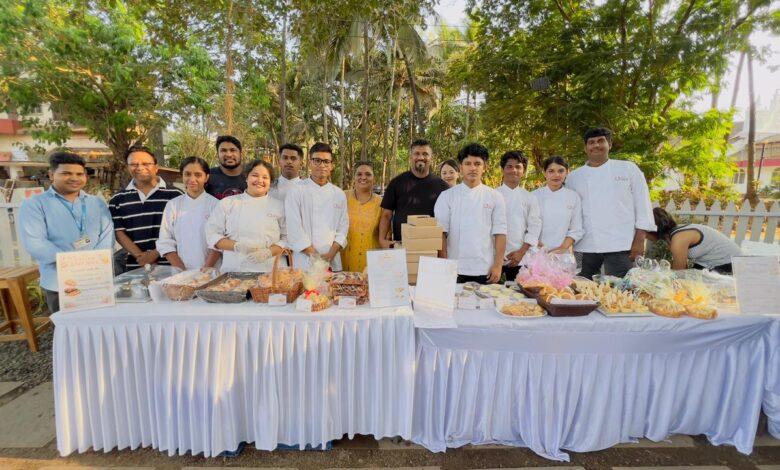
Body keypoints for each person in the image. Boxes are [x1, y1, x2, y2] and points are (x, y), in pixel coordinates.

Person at [19, 152, 114, 313]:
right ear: (51, 174)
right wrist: (73, 264)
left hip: (95, 277)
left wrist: (95, 264)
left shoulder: (96, 202)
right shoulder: (35, 204)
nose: (74, 178)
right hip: (59, 281)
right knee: (67, 331)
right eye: (66, 173)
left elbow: (107, 234)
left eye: (79, 174)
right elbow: (35, 242)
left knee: (99, 326)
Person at [565, 127, 656, 279]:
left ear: (610, 145)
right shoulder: (574, 177)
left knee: (622, 290)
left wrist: (640, 240)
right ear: (585, 148)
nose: (596, 145)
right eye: (591, 142)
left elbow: (643, 204)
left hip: (621, 244)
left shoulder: (628, 169)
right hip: (586, 244)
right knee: (584, 288)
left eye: (601, 141)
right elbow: (569, 212)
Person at [435, 143, 507, 284]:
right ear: (461, 168)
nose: (473, 168)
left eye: (477, 164)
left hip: (485, 268)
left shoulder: (495, 196)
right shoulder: (446, 196)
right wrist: (445, 265)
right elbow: (441, 233)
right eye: (468, 163)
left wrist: (498, 265)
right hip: (455, 269)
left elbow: (500, 232)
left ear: (485, 167)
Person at [109, 146, 183, 272]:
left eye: (145, 163)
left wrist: (154, 254)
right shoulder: (117, 199)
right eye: (133, 164)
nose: (140, 167)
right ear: (127, 167)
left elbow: (181, 229)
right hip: (135, 266)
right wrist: (140, 256)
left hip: (171, 264)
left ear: (156, 167)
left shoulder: (176, 195)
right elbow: (119, 232)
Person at [205, 160, 287, 272]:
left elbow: (287, 238)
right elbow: (212, 234)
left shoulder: (279, 206)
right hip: (234, 270)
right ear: (246, 178)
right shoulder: (228, 203)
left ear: (270, 182)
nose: (260, 180)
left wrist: (268, 252)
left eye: (265, 177)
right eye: (255, 175)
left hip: (271, 271)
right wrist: (237, 246)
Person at [285, 142, 349, 271]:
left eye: (326, 161)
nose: (322, 165)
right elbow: (293, 227)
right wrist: (313, 254)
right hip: (305, 261)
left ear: (332, 165)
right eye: (317, 160)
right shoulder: (296, 191)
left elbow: (343, 228)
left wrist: (331, 254)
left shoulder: (339, 194)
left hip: (332, 260)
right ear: (310, 163)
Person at [379, 139, 450, 248]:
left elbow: (448, 220)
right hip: (402, 246)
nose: (421, 157)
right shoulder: (396, 183)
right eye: (417, 153)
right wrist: (382, 240)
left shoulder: (442, 187)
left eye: (425, 154)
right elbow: (386, 215)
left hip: (431, 249)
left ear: (431, 158)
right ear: (411, 157)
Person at [156, 157, 220, 271]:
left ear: (206, 177)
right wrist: (183, 272)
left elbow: (218, 242)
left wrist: (205, 271)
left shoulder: (216, 205)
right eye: (187, 174)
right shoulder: (173, 205)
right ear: (182, 177)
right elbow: (165, 242)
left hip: (211, 271)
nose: (192, 179)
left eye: (198, 175)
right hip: (179, 271)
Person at [646, 208, 742, 274]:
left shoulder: (678, 239)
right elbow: (684, 269)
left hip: (729, 264)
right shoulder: (674, 235)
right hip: (710, 263)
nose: (644, 236)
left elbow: (679, 272)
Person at [496, 150, 542, 281]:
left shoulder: (529, 198)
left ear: (523, 170)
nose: (513, 170)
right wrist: (497, 257)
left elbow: (534, 227)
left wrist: (521, 252)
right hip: (494, 257)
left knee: (518, 296)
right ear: (503, 169)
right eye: (509, 166)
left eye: (518, 167)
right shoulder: (492, 195)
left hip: (520, 257)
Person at [533, 156, 584, 254]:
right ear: (544, 173)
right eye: (551, 171)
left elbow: (576, 229)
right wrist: (539, 245)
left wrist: (562, 248)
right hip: (535, 251)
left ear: (567, 172)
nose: (556, 175)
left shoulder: (573, 197)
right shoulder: (533, 196)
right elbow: (526, 227)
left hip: (562, 254)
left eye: (561, 171)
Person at [341, 161, 382, 272]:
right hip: (344, 260)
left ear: (374, 178)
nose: (363, 177)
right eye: (359, 174)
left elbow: (385, 235)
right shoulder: (343, 196)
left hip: (371, 263)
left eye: (368, 174)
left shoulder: (381, 203)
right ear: (354, 177)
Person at [206, 135, 246, 199]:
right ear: (217, 155)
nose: (228, 155)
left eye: (233, 150)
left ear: (241, 154)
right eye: (223, 150)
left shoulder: (252, 175)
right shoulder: (207, 176)